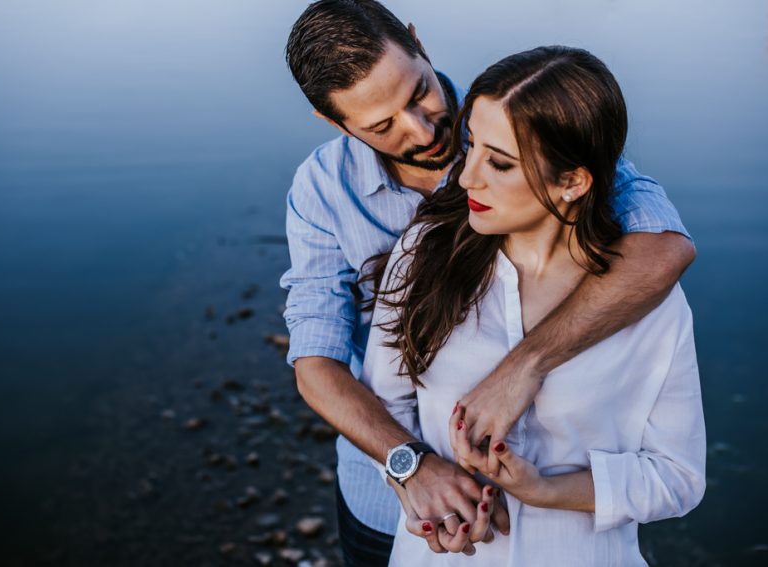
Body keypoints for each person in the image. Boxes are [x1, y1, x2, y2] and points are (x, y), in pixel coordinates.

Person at [280, 1, 696, 564]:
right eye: (382, 126)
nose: (424, 131)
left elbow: (665, 246)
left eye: (417, 93)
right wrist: (410, 467)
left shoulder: (517, 120)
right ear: (336, 123)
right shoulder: (326, 192)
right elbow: (317, 362)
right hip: (390, 504)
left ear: (416, 41)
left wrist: (524, 366)